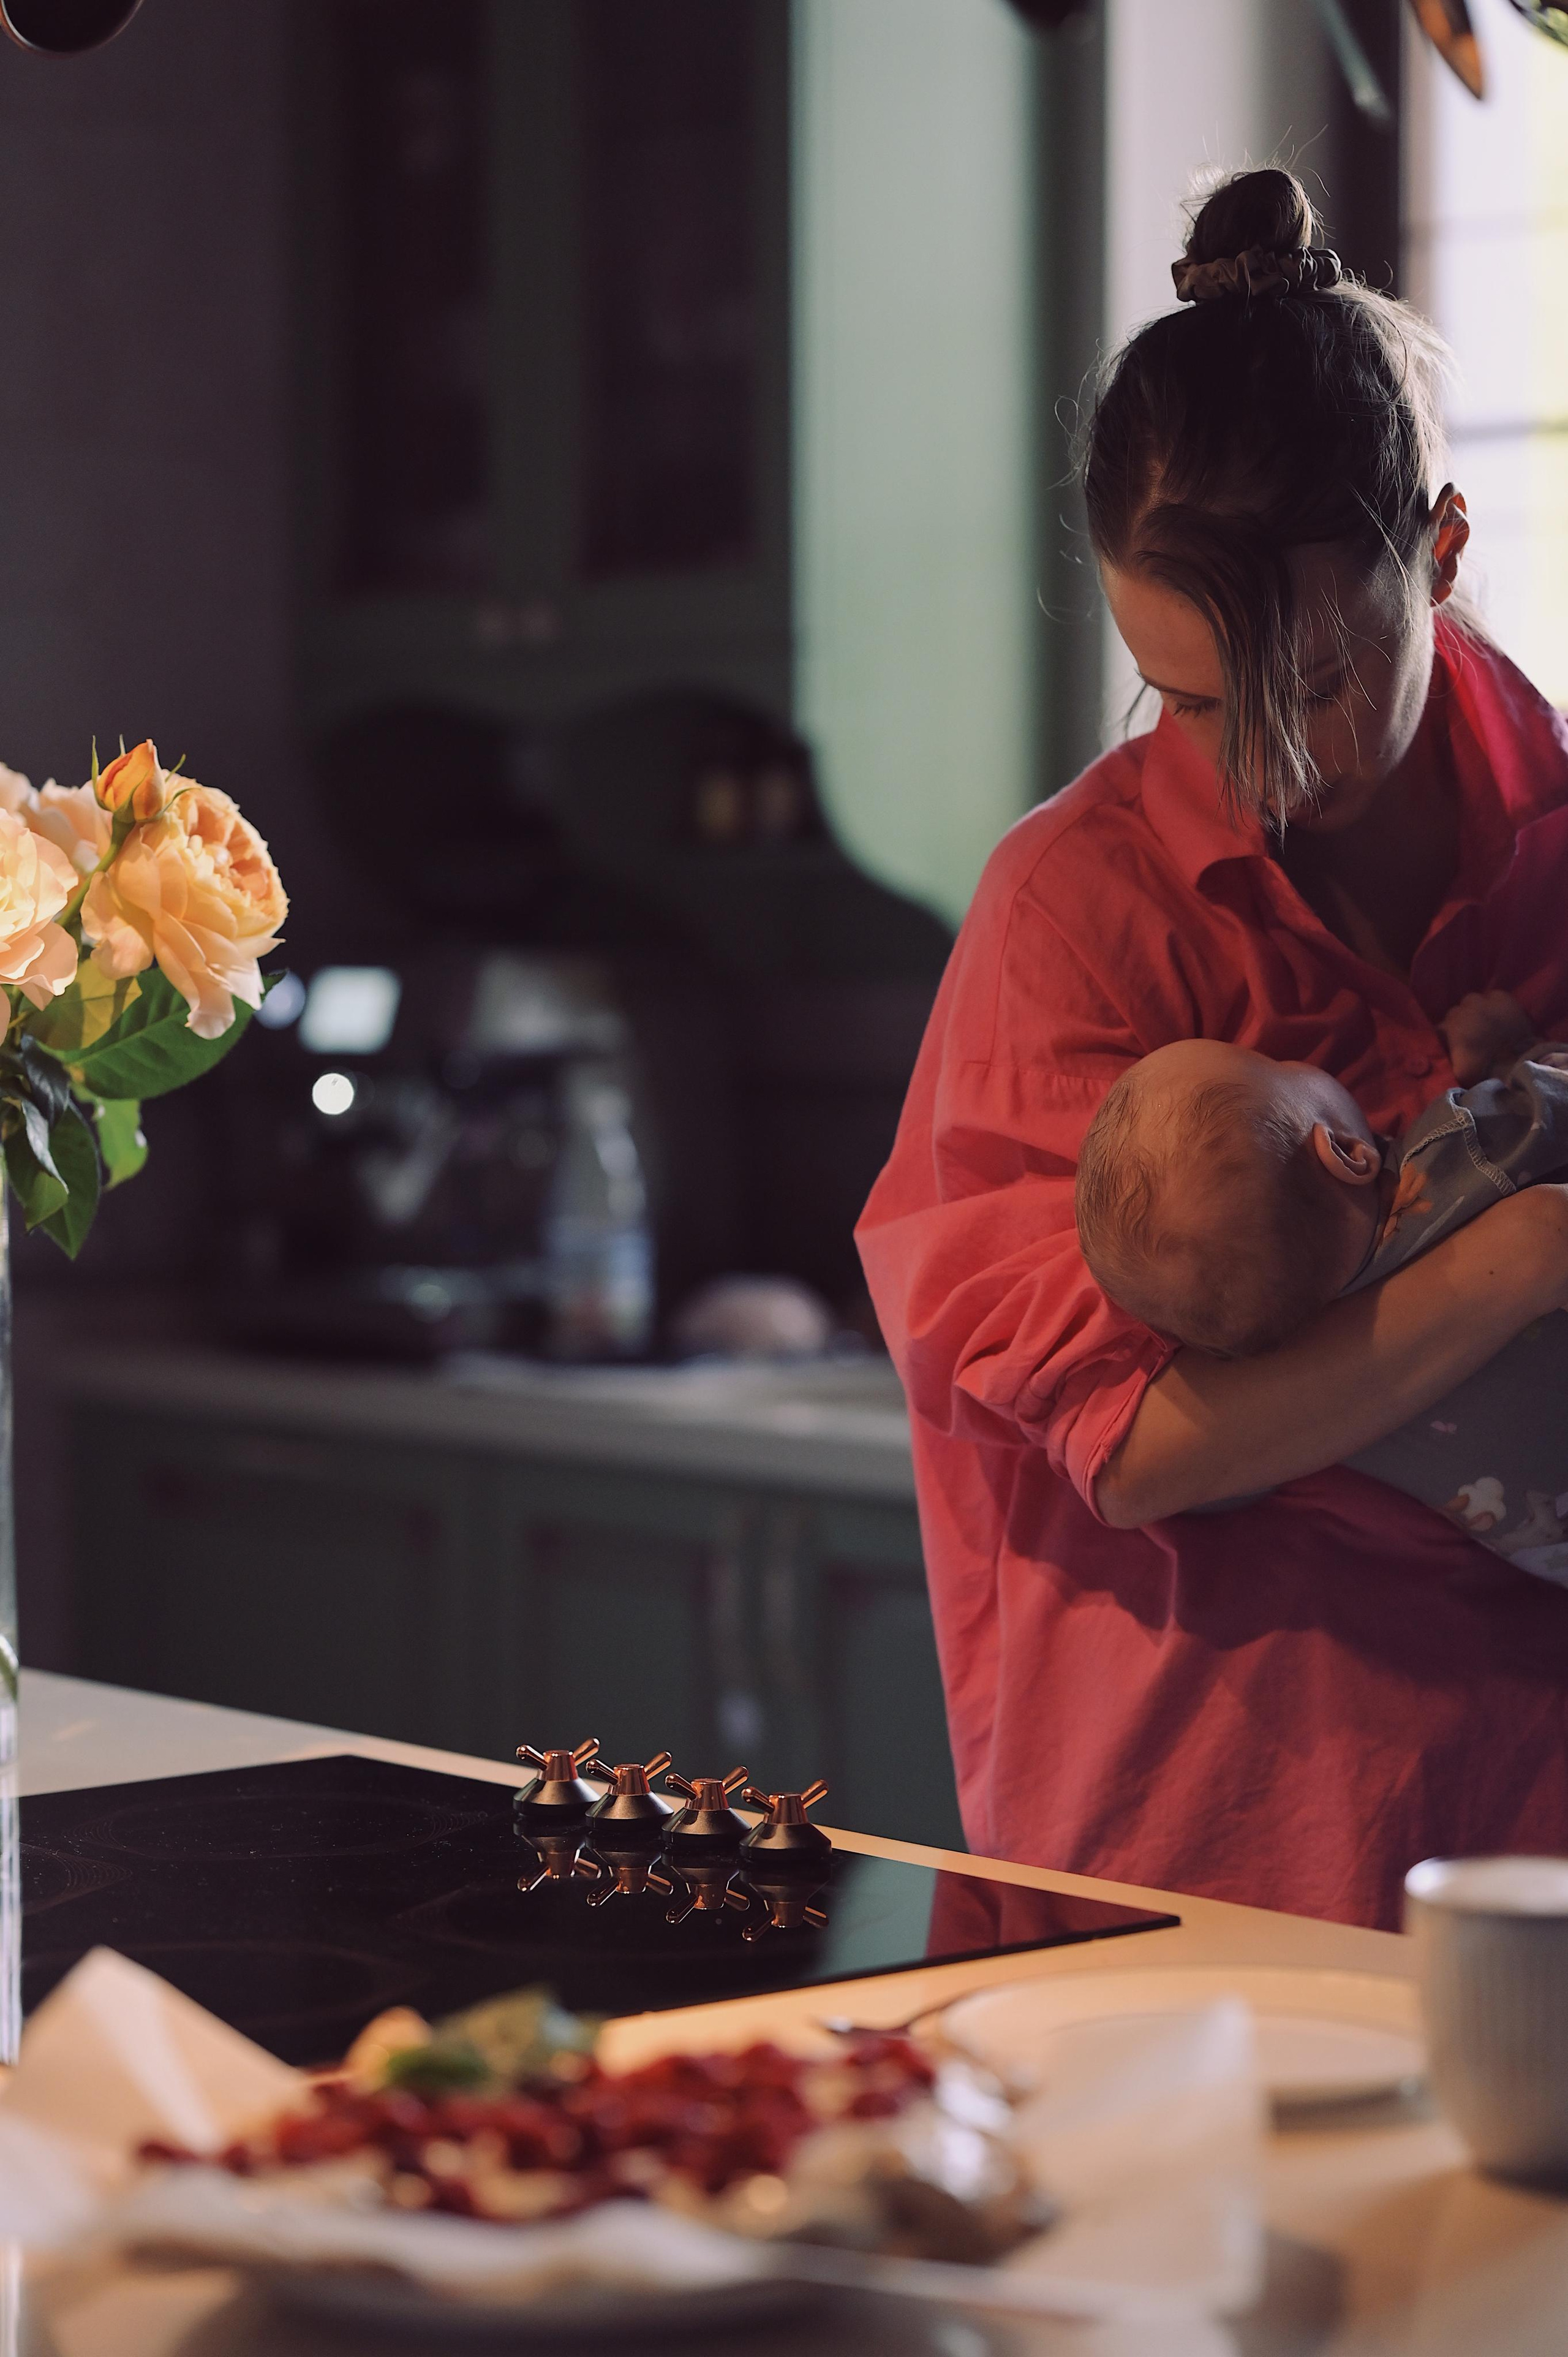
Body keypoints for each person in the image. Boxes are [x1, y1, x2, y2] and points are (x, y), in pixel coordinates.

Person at [856, 167, 1568, 1931]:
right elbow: (1139, 1439)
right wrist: (1515, 1264)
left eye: (1314, 683)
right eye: (1186, 699)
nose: (1261, 763)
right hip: (1220, 1834)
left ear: (1446, 555)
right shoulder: (1071, 913)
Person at [1072, 1010, 1568, 1584]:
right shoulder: (1471, 1150)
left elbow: (1210, 1497)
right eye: (1275, 1066)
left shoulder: (1314, 1423)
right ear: (1347, 1153)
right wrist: (1513, 1049)